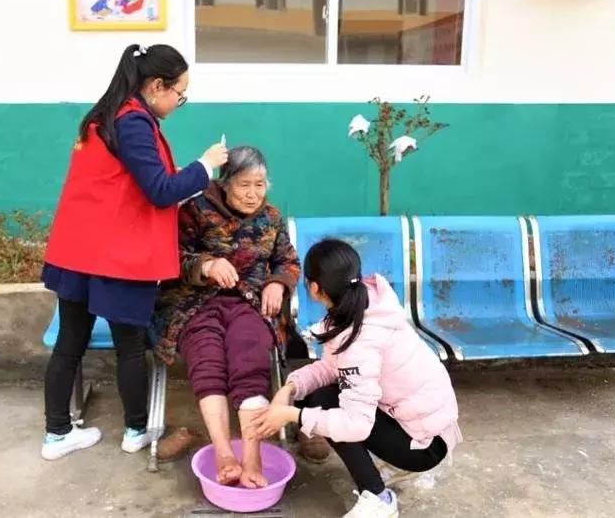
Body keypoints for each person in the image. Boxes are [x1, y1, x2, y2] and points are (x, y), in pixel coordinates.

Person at [40, 43, 229, 461]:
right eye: (180, 94)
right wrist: (205, 165)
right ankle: (135, 431)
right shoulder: (133, 123)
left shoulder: (106, 116)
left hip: (79, 251)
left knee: (70, 342)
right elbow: (159, 190)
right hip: (115, 257)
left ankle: (56, 435)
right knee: (129, 345)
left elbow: (132, 185)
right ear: (157, 85)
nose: (180, 103)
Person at [254, 239, 462, 517]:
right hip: (425, 422)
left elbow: (355, 426)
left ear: (314, 288)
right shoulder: (364, 303)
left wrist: (294, 415)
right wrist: (290, 388)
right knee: (322, 394)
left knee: (327, 404)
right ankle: (381, 474)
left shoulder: (360, 339)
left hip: (425, 445)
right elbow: (331, 367)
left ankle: (379, 498)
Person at [151, 146, 300, 488]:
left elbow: (288, 262)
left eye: (260, 185)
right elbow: (171, 255)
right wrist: (206, 265)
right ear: (225, 182)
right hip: (194, 302)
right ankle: (222, 452)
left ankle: (252, 456)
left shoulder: (272, 218)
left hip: (250, 303)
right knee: (207, 358)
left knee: (249, 357)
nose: (253, 194)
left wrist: (278, 284)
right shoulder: (195, 210)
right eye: (244, 184)